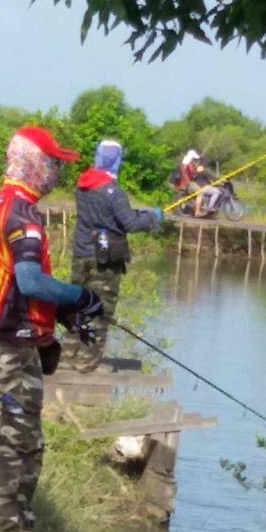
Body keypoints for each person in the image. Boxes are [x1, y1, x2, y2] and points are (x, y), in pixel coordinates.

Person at [0, 125, 103, 532]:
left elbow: (10, 284)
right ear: (33, 163)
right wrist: (82, 297)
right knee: (20, 445)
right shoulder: (23, 214)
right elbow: (29, 281)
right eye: (54, 164)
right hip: (10, 347)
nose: (57, 174)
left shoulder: (0, 204)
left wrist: (59, 312)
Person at [64, 138, 162, 372]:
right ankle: (86, 364)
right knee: (100, 310)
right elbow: (128, 222)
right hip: (103, 258)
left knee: (77, 306)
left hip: (81, 253)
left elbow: (106, 217)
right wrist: (153, 219)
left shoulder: (83, 185)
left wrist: (141, 215)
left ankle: (68, 356)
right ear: (116, 160)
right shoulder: (113, 191)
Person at [178, 149, 222, 219]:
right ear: (191, 157)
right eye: (194, 159)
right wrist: (198, 171)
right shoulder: (188, 164)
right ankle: (197, 212)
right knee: (200, 192)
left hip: (187, 182)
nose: (195, 160)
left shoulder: (185, 163)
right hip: (188, 183)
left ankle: (200, 207)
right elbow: (192, 174)